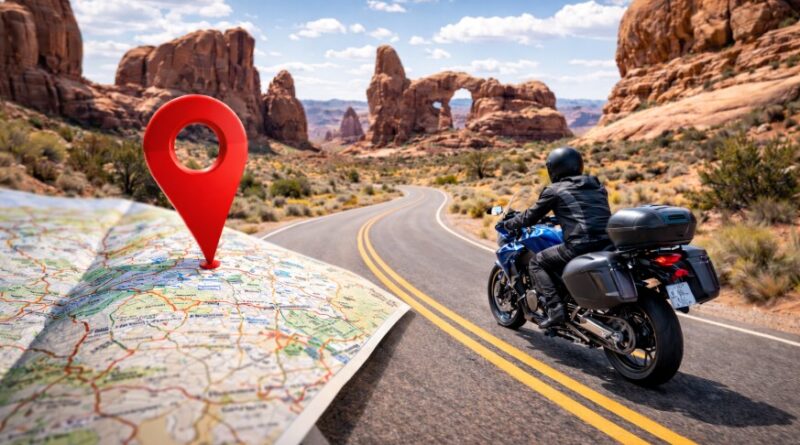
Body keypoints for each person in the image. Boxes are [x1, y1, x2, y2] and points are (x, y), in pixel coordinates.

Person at [503, 147, 612, 329]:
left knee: (537, 263)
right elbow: (586, 212)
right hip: (608, 242)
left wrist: (509, 224)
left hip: (580, 244)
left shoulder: (555, 190)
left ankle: (556, 311)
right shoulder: (597, 185)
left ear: (553, 169)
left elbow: (530, 216)